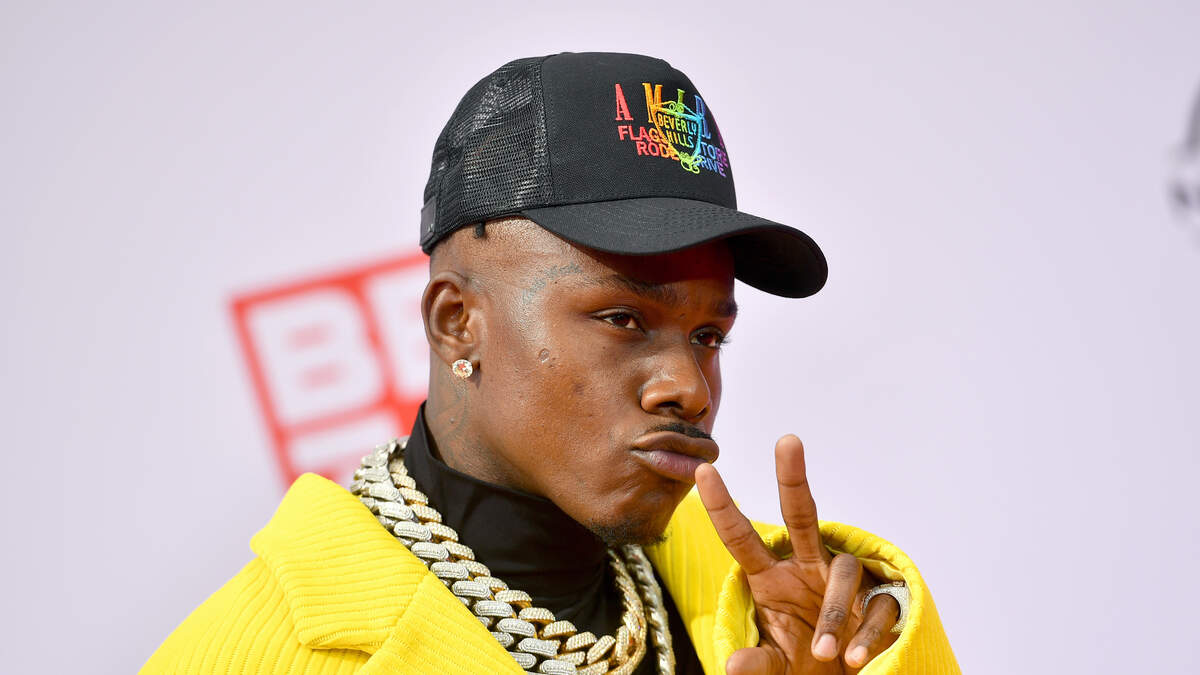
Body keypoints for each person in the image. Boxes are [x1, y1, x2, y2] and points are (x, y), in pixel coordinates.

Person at [143, 52, 959, 675]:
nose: (688, 387)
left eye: (710, 336)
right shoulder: (252, 655)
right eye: (623, 318)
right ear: (457, 324)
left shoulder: (778, 611)